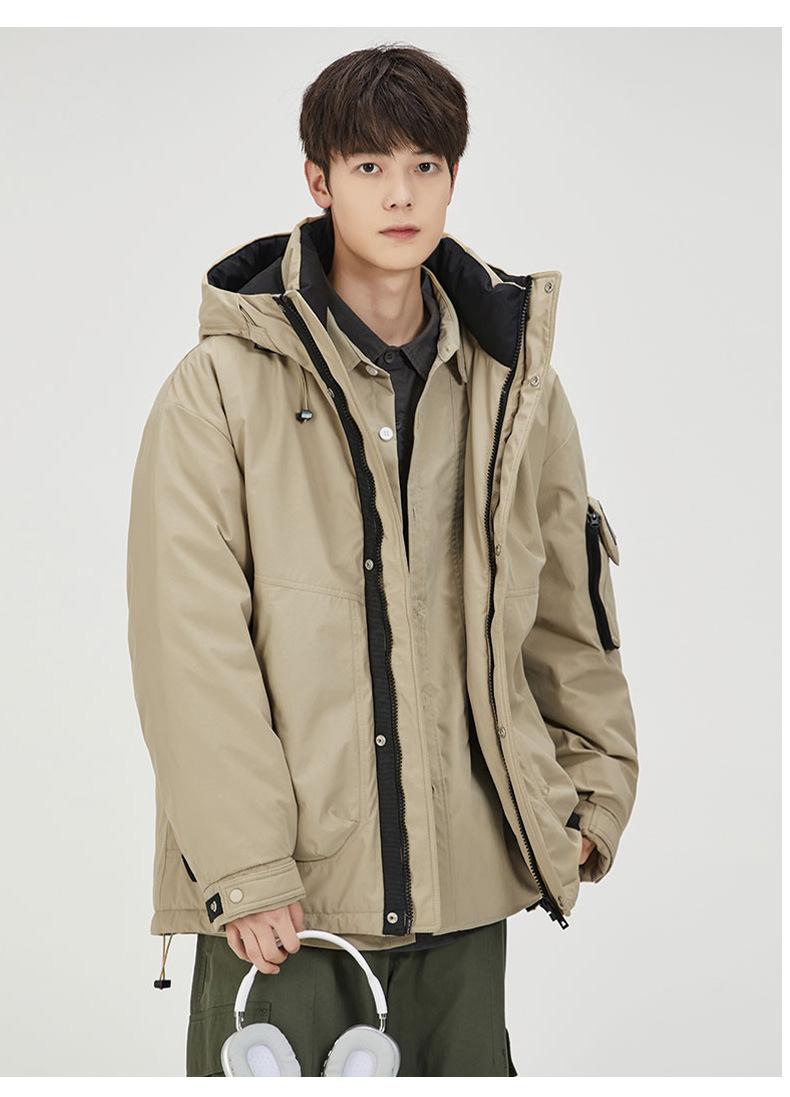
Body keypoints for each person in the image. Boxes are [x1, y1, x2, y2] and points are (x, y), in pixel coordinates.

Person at [126, 42, 639, 1078]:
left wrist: (588, 801)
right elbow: (189, 644)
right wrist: (246, 863)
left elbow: (563, 611)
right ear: (318, 181)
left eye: (424, 165)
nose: (400, 194)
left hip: (466, 894)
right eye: (369, 166)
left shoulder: (513, 388)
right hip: (285, 912)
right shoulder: (219, 388)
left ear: (452, 177)